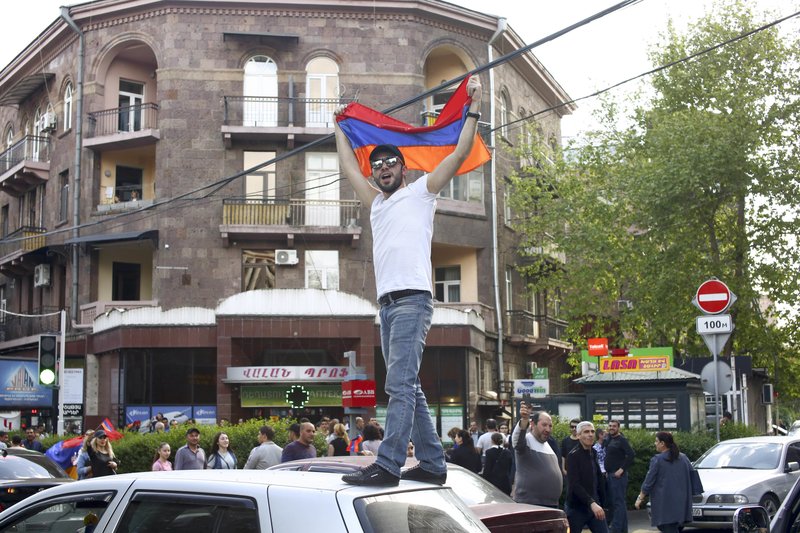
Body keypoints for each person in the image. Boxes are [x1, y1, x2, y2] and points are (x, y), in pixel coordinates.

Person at [335, 75, 483, 487]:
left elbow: (456, 154)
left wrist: (474, 107)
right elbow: (349, 166)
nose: (383, 168)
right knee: (410, 388)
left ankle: (388, 463)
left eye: (390, 163)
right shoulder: (376, 206)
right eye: (378, 164)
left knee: (398, 384)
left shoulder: (421, 193)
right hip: (386, 305)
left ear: (403, 168)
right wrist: (339, 127)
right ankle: (434, 465)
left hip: (414, 301)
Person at [635, 432, 693, 533]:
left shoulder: (658, 460)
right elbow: (693, 477)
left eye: (656, 441)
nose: (654, 443)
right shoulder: (683, 458)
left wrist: (640, 498)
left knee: (666, 527)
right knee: (672, 528)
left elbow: (649, 481)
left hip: (664, 503)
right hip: (681, 502)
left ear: (662, 443)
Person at [512, 407, 562, 507]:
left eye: (550, 426)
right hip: (529, 504)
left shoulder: (549, 444)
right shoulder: (525, 441)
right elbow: (517, 440)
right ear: (532, 424)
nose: (548, 429)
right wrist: (524, 420)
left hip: (550, 505)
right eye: (544, 425)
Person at [566, 421, 608, 533]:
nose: (590, 434)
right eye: (586, 432)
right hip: (577, 508)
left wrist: (602, 502)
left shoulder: (593, 452)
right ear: (578, 435)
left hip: (595, 505)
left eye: (592, 431)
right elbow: (574, 484)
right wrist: (591, 503)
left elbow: (598, 479)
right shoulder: (573, 456)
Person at [604, 419, 635, 533]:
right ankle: (623, 529)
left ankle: (615, 529)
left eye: (614, 426)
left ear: (618, 428)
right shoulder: (609, 439)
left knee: (618, 503)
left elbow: (631, 454)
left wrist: (621, 469)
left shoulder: (622, 440)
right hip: (610, 474)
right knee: (618, 502)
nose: (611, 428)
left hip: (618, 476)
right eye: (610, 426)